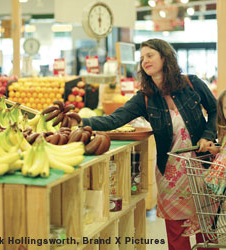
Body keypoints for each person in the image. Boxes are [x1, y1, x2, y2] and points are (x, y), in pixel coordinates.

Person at [81, 38, 218, 250]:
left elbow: (216, 111)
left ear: (164, 57)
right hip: (170, 174)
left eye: (150, 55)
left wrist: (208, 135)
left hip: (201, 167)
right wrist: (80, 121)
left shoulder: (192, 84)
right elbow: (113, 120)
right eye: (142, 57)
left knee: (207, 231)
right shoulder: (145, 98)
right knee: (176, 234)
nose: (145, 61)